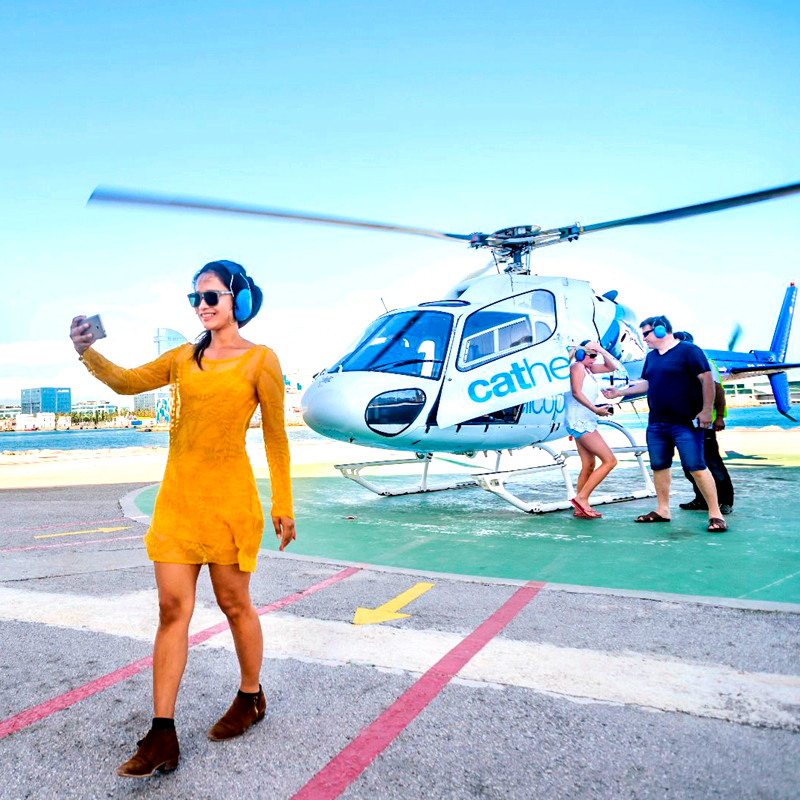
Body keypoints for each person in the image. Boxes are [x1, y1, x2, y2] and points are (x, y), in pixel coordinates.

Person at [70, 260, 296, 778]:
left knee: (234, 604)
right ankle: (162, 733)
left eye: (211, 296)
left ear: (238, 298)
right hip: (177, 504)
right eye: (195, 298)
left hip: (228, 504)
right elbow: (127, 383)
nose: (202, 306)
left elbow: (276, 438)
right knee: (172, 610)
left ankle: (250, 696)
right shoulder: (181, 358)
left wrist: (283, 504)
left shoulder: (261, 359)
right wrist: (86, 352)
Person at [602, 315, 727, 532]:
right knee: (659, 467)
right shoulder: (651, 357)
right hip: (657, 424)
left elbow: (707, 379)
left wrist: (707, 411)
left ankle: (715, 514)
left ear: (661, 330)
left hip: (685, 422)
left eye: (646, 334)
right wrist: (619, 392)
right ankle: (662, 510)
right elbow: (647, 384)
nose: (644, 339)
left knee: (697, 467)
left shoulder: (689, 351)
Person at [674, 332, 734, 514]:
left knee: (712, 462)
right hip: (684, 423)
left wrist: (720, 416)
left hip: (703, 423)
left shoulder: (704, 363)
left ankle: (725, 501)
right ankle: (701, 499)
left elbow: (718, 391)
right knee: (689, 464)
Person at [564, 340, 621, 518]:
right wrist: (596, 410)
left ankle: (580, 507)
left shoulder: (588, 368)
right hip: (580, 421)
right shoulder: (577, 367)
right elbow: (576, 392)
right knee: (610, 461)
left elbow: (612, 367)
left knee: (589, 465)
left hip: (584, 420)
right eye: (591, 354)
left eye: (595, 355)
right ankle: (581, 499)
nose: (595, 358)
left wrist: (601, 350)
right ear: (580, 354)